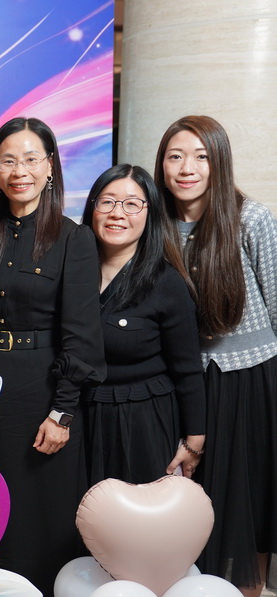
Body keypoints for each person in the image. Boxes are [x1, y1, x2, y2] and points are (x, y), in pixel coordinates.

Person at [0, 116, 105, 597]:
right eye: (8, 159)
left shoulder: (74, 239)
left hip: (44, 393)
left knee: (43, 517)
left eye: (31, 159)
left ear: (50, 167)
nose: (19, 170)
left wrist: (62, 410)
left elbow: (82, 334)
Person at [155, 115, 277, 597]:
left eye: (201, 157)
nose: (187, 168)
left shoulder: (252, 219)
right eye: (175, 156)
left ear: (219, 162)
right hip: (180, 382)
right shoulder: (154, 224)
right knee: (183, 508)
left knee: (245, 511)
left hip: (248, 381)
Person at [81, 164, 204, 485]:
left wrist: (194, 442)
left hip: (143, 421)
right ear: (92, 208)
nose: (117, 213)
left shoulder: (166, 283)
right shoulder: (71, 273)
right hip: (80, 419)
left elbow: (188, 370)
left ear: (150, 213)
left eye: (132, 204)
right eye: (107, 202)